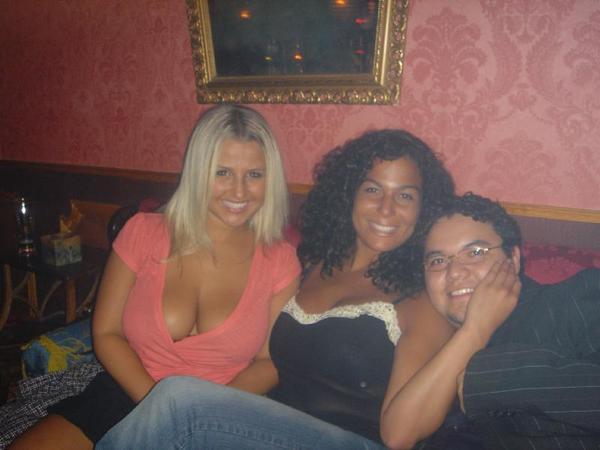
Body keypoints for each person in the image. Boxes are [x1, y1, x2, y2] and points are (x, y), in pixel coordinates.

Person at [96, 129, 456, 449]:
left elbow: (401, 436)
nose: (386, 209)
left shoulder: (418, 298)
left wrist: (473, 332)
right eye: (373, 189)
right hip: (268, 427)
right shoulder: (314, 267)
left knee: (180, 400)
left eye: (405, 196)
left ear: (424, 209)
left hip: (348, 439)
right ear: (350, 194)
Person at [9, 105, 301, 450]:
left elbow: (269, 362)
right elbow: (106, 333)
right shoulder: (143, 232)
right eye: (222, 172)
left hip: (220, 408)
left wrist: (203, 416)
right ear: (197, 172)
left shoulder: (280, 260)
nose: (239, 192)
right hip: (129, 391)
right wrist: (160, 408)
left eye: (254, 174)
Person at [381, 192, 600, 449]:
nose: (454, 272)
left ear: (513, 259)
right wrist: (475, 330)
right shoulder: (433, 336)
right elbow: (398, 436)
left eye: (475, 252)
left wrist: (490, 378)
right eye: (438, 260)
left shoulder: (574, 299)